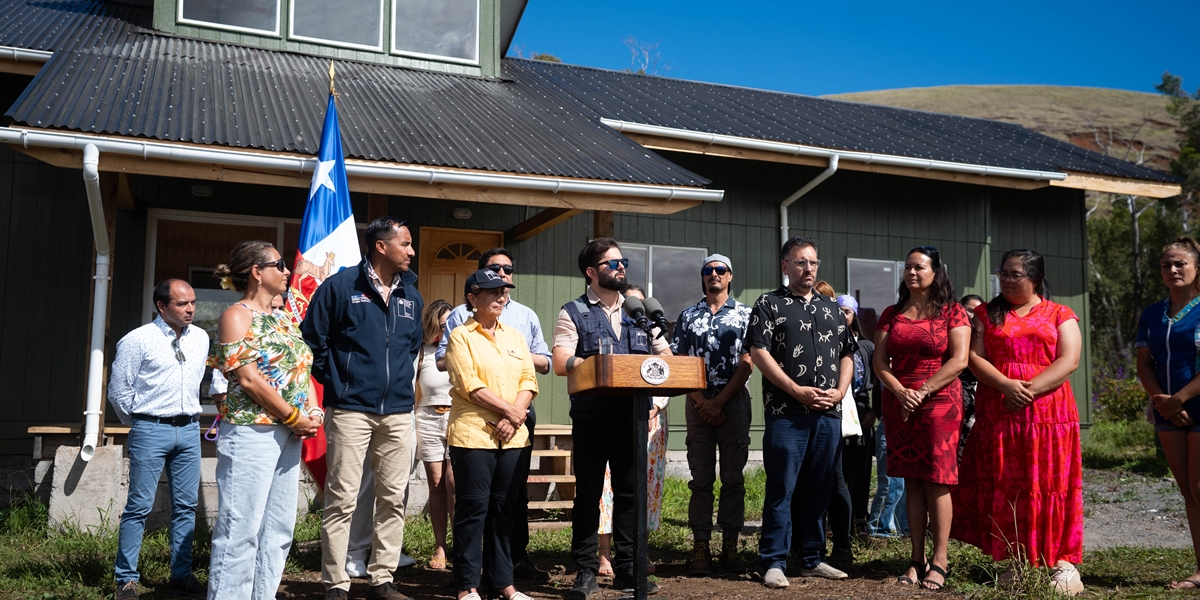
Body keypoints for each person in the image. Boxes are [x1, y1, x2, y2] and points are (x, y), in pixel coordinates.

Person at [301, 216, 424, 600]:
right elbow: (312, 344)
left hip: (399, 412)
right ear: (381, 246)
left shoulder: (412, 295)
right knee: (342, 498)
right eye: (405, 243)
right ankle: (335, 583)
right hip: (351, 409)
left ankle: (383, 577)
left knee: (393, 497)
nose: (412, 251)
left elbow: (412, 348)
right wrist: (339, 382)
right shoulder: (339, 287)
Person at [952, 249, 1083, 595]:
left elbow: (1069, 360)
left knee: (1052, 482)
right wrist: (1007, 386)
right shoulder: (986, 313)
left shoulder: (1060, 313)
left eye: (1015, 274)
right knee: (1007, 482)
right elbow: (974, 358)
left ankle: (1062, 562)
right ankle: (1013, 558)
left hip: (1050, 413)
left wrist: (1028, 390)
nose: (1006, 280)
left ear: (1035, 279)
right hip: (1000, 408)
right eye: (1003, 273)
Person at [553, 238, 670, 599]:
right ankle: (586, 572)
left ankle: (629, 570)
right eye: (611, 263)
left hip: (633, 418)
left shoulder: (640, 312)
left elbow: (666, 359)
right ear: (591, 272)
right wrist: (598, 369)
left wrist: (659, 392)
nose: (621, 268)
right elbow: (560, 362)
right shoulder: (572, 311)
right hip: (592, 417)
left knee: (631, 495)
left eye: (623, 262)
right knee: (588, 495)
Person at [206, 242, 321, 599]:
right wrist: (293, 416)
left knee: (278, 529)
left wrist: (312, 411)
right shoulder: (236, 316)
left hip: (289, 434)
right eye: (280, 264)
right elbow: (249, 379)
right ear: (257, 271)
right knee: (240, 529)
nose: (288, 272)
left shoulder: (283, 316)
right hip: (252, 433)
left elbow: (302, 369)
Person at [437, 248, 552, 584]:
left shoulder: (515, 333)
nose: (502, 295)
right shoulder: (460, 333)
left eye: (504, 290)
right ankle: (467, 584)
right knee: (474, 511)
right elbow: (469, 383)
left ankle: (503, 583)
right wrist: (512, 411)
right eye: (493, 291)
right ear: (473, 298)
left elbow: (528, 379)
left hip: (513, 433)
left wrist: (515, 415)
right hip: (474, 433)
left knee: (505, 511)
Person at [748, 236, 855, 588]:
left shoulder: (832, 309)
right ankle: (774, 561)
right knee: (783, 488)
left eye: (812, 262)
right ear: (785, 266)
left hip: (827, 413)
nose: (807, 268)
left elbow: (847, 355)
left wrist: (839, 392)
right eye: (799, 262)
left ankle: (811, 558)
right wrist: (795, 390)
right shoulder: (769, 303)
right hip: (786, 412)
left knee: (820, 488)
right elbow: (759, 352)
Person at [873, 246, 970, 591]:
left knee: (937, 480)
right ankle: (916, 558)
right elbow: (880, 362)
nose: (912, 272)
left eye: (920, 267)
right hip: (899, 402)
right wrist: (901, 391)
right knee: (910, 480)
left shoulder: (953, 312)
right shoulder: (891, 313)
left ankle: (940, 559)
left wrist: (923, 390)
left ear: (936, 272)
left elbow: (959, 360)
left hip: (940, 400)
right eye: (908, 267)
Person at [108, 279, 209, 600]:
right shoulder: (137, 340)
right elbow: (119, 391)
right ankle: (126, 579)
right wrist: (142, 422)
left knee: (186, 506)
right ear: (161, 306)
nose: (190, 309)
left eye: (193, 302)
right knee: (139, 505)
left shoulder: (202, 338)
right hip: (150, 430)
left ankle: (181, 575)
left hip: (191, 430)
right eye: (182, 304)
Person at [666, 256, 753, 577]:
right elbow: (679, 362)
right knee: (700, 479)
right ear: (702, 278)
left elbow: (748, 361)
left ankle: (731, 546)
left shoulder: (746, 315)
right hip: (698, 403)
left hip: (734, 403)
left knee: (733, 478)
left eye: (719, 270)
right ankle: (700, 547)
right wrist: (703, 402)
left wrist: (721, 401)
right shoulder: (688, 316)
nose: (713, 275)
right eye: (707, 271)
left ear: (730, 276)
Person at [1135, 237, 1200, 591]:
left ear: (1196, 268)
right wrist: (1163, 402)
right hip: (1166, 410)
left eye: (1180, 264)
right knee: (1188, 492)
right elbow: (1145, 362)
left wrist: (1181, 399)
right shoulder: (1151, 314)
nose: (1173, 270)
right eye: (1166, 265)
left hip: (1196, 404)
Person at [597, 285, 672, 577]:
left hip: (650, 418)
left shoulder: (651, 329)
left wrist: (655, 407)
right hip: (611, 415)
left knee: (645, 487)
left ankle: (639, 551)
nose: (633, 307)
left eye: (638, 303)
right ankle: (604, 556)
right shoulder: (610, 326)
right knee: (607, 488)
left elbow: (669, 366)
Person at [412, 299, 455, 570]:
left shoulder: (460, 347)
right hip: (427, 416)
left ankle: (462, 545)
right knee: (436, 484)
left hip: (457, 415)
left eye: (449, 324)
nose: (445, 330)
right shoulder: (423, 351)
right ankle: (440, 547)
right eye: (441, 325)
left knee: (455, 483)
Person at [834, 295, 876, 544]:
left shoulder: (867, 346)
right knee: (835, 469)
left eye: (847, 312)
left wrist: (875, 412)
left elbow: (879, 379)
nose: (843, 316)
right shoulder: (827, 343)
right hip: (834, 410)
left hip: (861, 412)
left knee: (860, 472)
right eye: (839, 311)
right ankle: (836, 521)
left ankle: (860, 522)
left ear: (854, 316)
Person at [957, 294, 985, 462]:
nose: (973, 315)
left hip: (978, 394)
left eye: (978, 312)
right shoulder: (951, 335)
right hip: (954, 392)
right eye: (969, 310)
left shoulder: (985, 338)